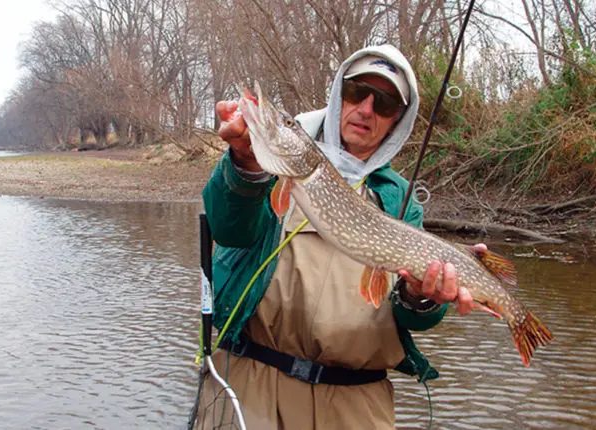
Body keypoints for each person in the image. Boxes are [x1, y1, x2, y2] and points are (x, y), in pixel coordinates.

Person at [199, 44, 481, 429]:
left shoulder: (399, 198)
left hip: (353, 405)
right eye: (355, 92)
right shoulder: (270, 166)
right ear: (338, 97)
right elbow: (230, 229)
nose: (365, 109)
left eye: (383, 102)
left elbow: (411, 316)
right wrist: (245, 164)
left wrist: (420, 297)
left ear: (397, 119)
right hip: (252, 385)